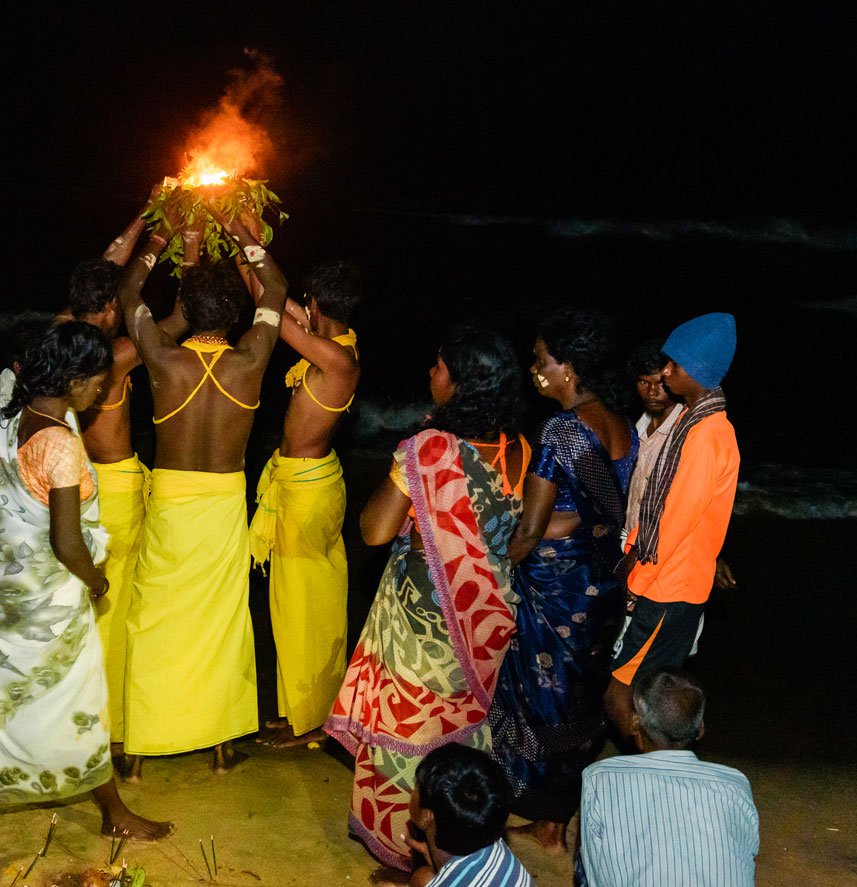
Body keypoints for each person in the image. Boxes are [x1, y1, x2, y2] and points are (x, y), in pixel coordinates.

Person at [0, 322, 173, 868]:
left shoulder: (12, 402)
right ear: (73, 381)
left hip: (2, 591)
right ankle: (112, 812)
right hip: (45, 605)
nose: (102, 394)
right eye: (97, 384)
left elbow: (23, 363)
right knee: (75, 705)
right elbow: (65, 540)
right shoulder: (59, 446)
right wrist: (97, 581)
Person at [327, 325, 528, 871]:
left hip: (426, 624)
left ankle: (408, 857)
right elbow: (504, 535)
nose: (430, 374)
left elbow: (372, 529)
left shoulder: (428, 450)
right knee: (457, 731)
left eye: (439, 368)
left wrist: (409, 470)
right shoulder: (518, 448)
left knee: (405, 733)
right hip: (485, 619)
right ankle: (460, 846)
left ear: (461, 384)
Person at [117, 207, 287, 775]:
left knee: (155, 620)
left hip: (170, 502)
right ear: (238, 313)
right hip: (221, 504)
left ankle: (138, 756)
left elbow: (128, 291)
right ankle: (218, 750)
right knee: (220, 622)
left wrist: (161, 237)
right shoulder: (252, 358)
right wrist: (240, 231)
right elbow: (279, 288)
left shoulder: (163, 358)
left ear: (186, 311)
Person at [487, 309, 637, 854]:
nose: (533, 369)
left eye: (540, 359)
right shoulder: (619, 421)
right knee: (579, 696)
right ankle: (555, 823)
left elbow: (528, 531)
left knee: (540, 695)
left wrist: (489, 563)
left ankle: (543, 813)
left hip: (556, 586)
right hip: (602, 584)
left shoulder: (563, 431)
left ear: (567, 369)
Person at [60, 204, 188, 760]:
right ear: (111, 307)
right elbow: (181, 321)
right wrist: (184, 242)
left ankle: (70, 716)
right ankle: (111, 727)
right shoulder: (116, 357)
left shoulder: (59, 340)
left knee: (75, 603)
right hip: (112, 487)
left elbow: (104, 269)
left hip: (67, 486)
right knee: (119, 607)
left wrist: (146, 217)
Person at [605, 314, 739, 739]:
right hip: (677, 584)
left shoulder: (703, 436)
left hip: (667, 587)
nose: (664, 373)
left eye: (673, 366)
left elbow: (672, 524)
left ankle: (652, 773)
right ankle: (664, 764)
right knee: (657, 696)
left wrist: (635, 578)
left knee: (620, 695)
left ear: (696, 371)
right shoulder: (694, 421)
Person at [249, 260, 361, 748]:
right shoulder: (337, 342)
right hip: (302, 482)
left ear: (316, 307)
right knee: (292, 605)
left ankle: (315, 721)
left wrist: (249, 243)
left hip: (309, 490)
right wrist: (241, 248)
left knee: (305, 607)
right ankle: (302, 711)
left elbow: (275, 314)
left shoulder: (339, 361)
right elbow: (274, 302)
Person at [581, 669, 758, 886]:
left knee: (586, 859)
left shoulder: (600, 780)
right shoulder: (736, 785)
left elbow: (595, 875)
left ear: (635, 722)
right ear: (700, 729)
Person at [403, 744, 534, 887]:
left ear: (425, 816)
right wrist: (438, 864)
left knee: (421, 878)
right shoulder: (493, 840)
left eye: (418, 785)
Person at [622, 339, 683, 540]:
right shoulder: (634, 429)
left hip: (663, 544)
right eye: (644, 382)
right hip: (629, 538)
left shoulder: (684, 431)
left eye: (660, 384)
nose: (652, 392)